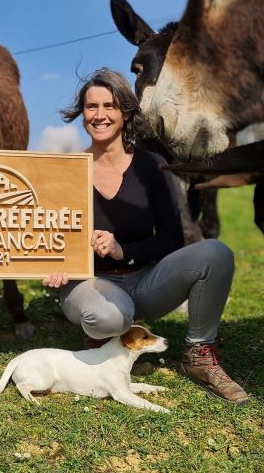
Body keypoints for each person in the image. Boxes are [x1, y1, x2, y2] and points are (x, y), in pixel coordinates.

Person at [42, 68, 248, 405]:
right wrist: (52, 263)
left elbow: (172, 238)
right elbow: (47, 233)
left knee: (215, 253)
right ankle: (100, 344)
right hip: (89, 284)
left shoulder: (151, 165)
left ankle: (199, 355)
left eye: (109, 106)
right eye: (91, 107)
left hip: (143, 280)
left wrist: (123, 250)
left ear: (125, 112)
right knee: (110, 316)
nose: (100, 115)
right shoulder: (67, 170)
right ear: (82, 114)